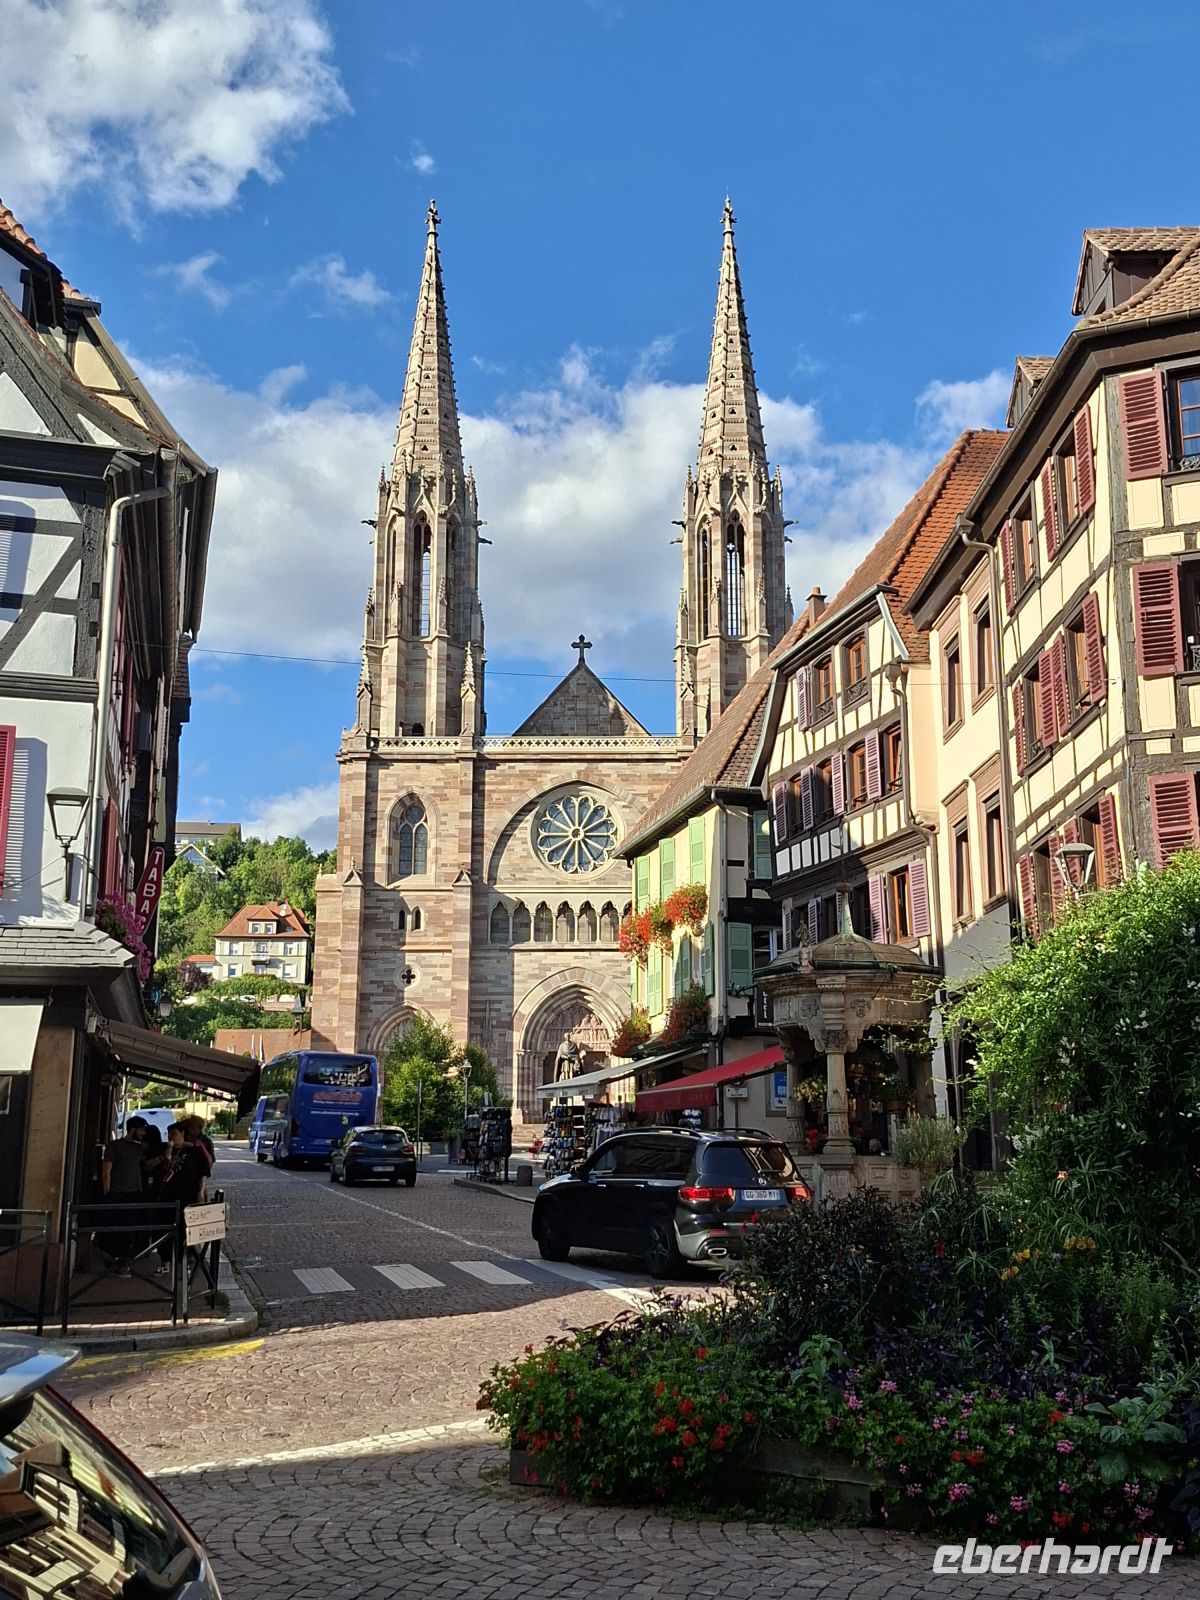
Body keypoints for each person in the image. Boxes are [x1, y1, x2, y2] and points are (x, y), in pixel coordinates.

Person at [156, 1123, 209, 1273]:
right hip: (167, 1196)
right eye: (169, 1133)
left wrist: (201, 1191)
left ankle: (184, 1262)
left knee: (185, 1230)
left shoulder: (195, 1152)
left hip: (187, 1196)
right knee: (164, 1229)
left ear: (182, 1133)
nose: (171, 1136)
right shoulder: (165, 1150)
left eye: (174, 1133)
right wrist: (165, 1156)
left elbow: (203, 1174)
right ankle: (165, 1261)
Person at [100, 1117, 147, 1273]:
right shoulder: (115, 1146)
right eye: (141, 1129)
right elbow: (106, 1170)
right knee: (115, 1229)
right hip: (117, 1193)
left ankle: (123, 1260)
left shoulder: (140, 1148)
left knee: (129, 1230)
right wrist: (107, 1192)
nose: (143, 1133)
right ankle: (113, 1260)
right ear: (133, 1129)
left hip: (134, 1193)